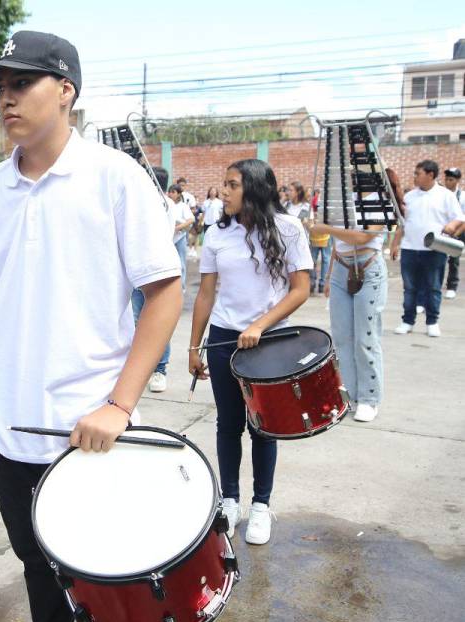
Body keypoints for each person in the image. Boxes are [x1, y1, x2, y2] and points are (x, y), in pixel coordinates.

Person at [0, 30, 183, 622]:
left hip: (89, 428)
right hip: (11, 429)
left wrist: (120, 404)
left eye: (21, 84)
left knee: (99, 575)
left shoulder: (115, 179)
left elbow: (165, 292)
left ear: (65, 91)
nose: (6, 100)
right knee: (36, 567)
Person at [188, 158, 312, 545]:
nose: (223, 191)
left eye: (231, 184)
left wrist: (260, 325)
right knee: (228, 423)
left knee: (263, 426)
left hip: (270, 342)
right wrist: (195, 345)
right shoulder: (216, 234)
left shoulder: (288, 229)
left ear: (254, 189)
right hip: (225, 338)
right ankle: (229, 500)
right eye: (223, 184)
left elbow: (300, 289)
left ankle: (261, 505)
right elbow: (206, 293)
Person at [310, 189, 389, 423]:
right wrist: (331, 274)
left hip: (369, 266)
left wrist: (325, 229)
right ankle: (349, 395)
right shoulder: (342, 199)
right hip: (341, 269)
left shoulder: (380, 200)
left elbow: (363, 237)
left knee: (366, 338)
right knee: (342, 338)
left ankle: (369, 397)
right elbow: (339, 244)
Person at [390, 160, 465, 337]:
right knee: (409, 288)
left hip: (434, 250)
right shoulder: (409, 197)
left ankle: (432, 321)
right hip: (409, 249)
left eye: (418, 173)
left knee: (433, 287)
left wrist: (451, 226)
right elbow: (402, 223)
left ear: (430, 175)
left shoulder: (445, 196)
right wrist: (395, 244)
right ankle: (407, 321)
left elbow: (459, 217)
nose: (415, 177)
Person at [131, 168, 176, 393]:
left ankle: (159, 370)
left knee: (156, 322)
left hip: (155, 273)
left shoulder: (163, 204)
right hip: (135, 273)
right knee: (136, 323)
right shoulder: (141, 201)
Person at [442, 167, 465, 299]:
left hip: (458, 230)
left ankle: (452, 286)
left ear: (457, 181)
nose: (447, 182)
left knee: (454, 259)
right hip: (444, 230)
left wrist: (456, 234)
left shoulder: (462, 197)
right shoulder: (441, 194)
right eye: (446, 179)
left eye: (450, 179)